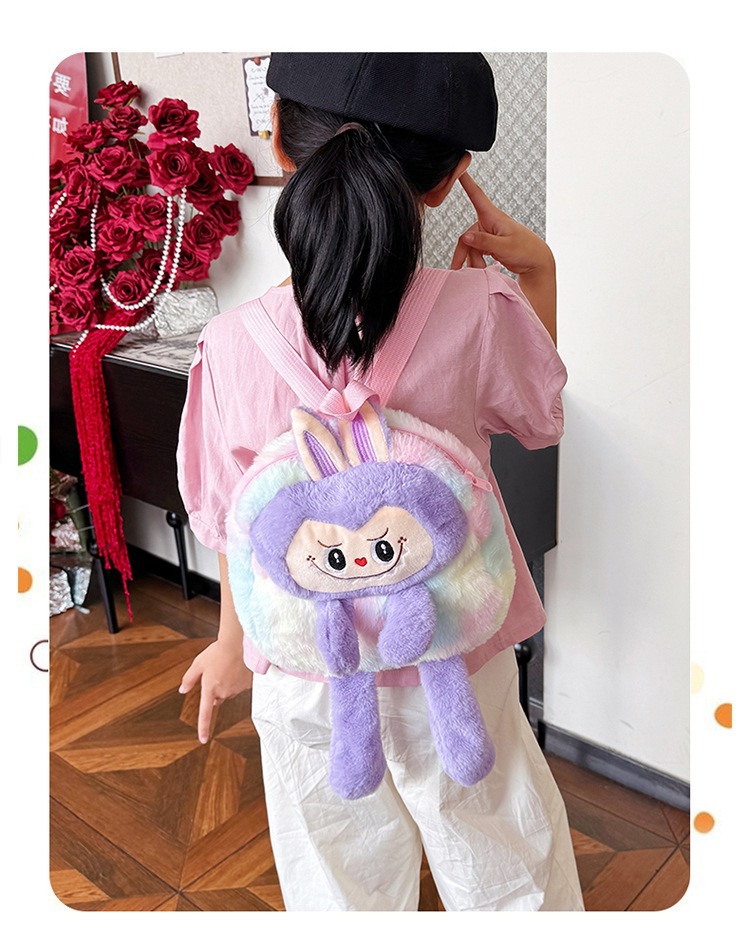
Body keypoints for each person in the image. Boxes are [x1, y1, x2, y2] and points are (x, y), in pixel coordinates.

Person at [176, 53, 584, 912]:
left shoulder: (230, 345)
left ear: (279, 138)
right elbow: (540, 417)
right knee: (507, 866)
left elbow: (233, 520)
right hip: (455, 655)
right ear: (446, 180)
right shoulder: (481, 311)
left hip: (306, 663)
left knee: (336, 884)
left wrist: (229, 642)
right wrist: (538, 273)